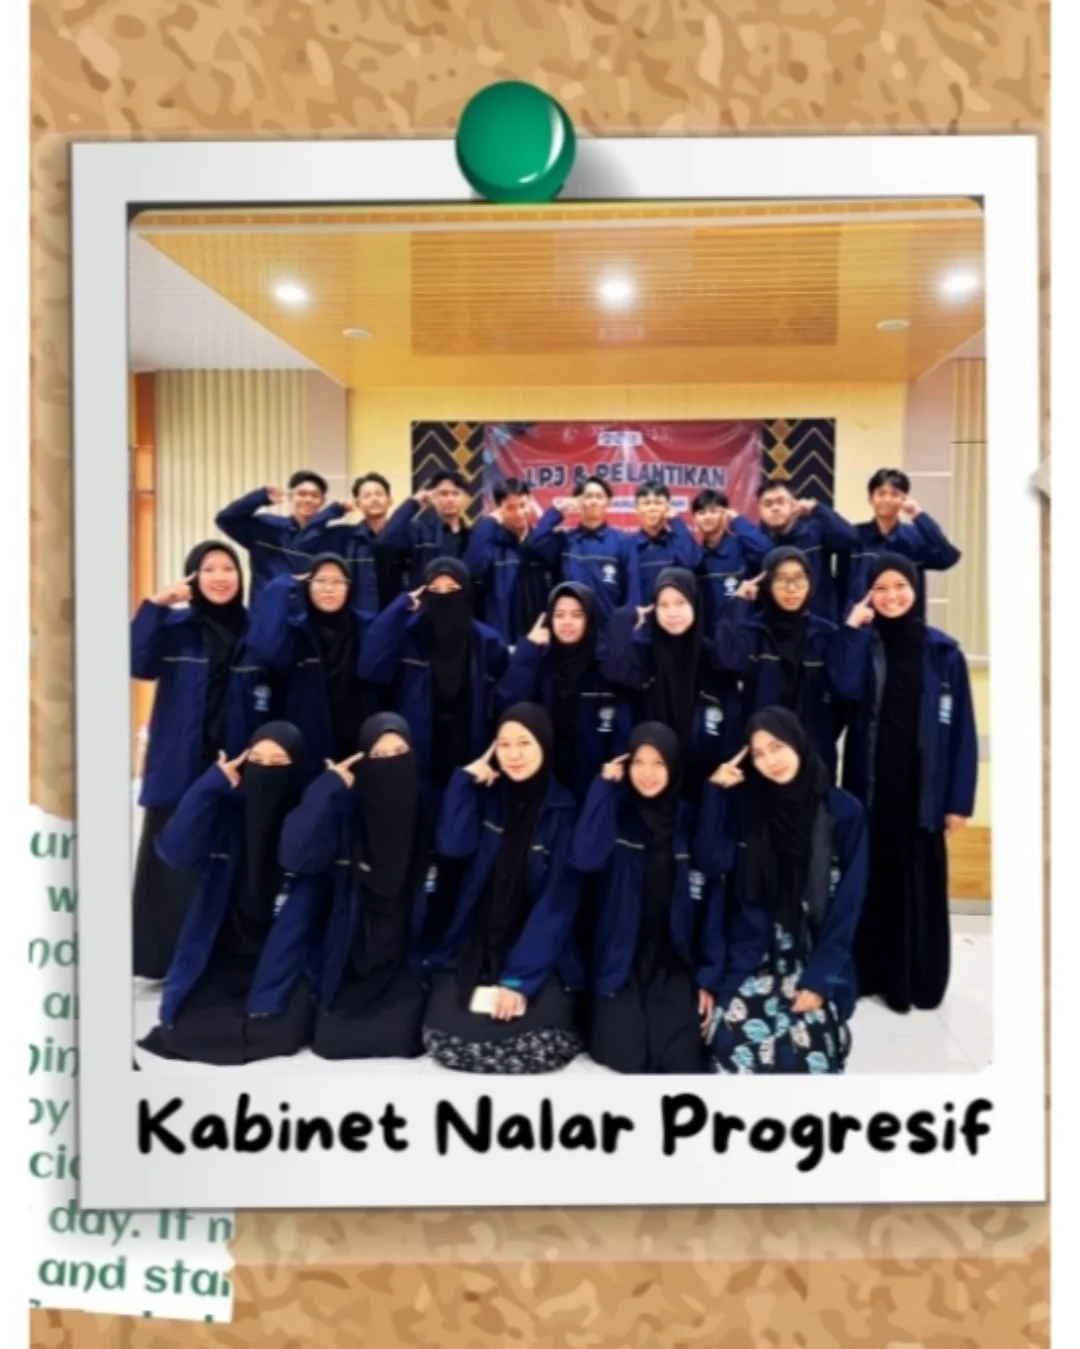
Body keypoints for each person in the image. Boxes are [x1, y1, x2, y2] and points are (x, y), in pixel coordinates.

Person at [827, 553, 977, 1013]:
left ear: (916, 589)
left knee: (918, 883)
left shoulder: (943, 652)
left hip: (923, 792)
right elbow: (843, 688)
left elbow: (963, 733)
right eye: (881, 588)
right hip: (872, 786)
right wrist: (851, 629)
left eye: (900, 587)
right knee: (871, 880)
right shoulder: (863, 643)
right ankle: (870, 972)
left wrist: (958, 802)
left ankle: (917, 980)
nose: (891, 596)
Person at [696, 708, 868, 1075]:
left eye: (777, 747)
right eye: (758, 754)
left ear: (798, 743)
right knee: (734, 1058)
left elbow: (847, 905)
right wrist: (714, 793)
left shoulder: (843, 812)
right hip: (753, 952)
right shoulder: (747, 807)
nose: (771, 761)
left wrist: (820, 980)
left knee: (808, 1061)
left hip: (812, 952)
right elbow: (710, 862)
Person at [138, 722, 317, 1065]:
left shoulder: (303, 824)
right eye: (258, 761)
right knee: (181, 1025)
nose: (266, 771)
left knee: (282, 1028)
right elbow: (175, 851)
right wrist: (210, 785)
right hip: (221, 955)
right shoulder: (227, 814)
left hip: (282, 958)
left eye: (278, 763)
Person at [131, 540, 270, 979]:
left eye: (228, 568)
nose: (220, 577)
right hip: (180, 760)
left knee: (226, 863)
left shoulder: (255, 628)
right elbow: (137, 663)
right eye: (208, 569)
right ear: (193, 577)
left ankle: (219, 957)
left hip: (234, 763)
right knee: (170, 862)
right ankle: (160, 959)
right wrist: (155, 605)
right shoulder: (176, 626)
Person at [421, 704, 584, 1073]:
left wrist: (519, 979)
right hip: (478, 941)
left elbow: (557, 903)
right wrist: (463, 784)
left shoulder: (563, 811)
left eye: (524, 743)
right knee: (445, 1032)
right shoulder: (488, 795)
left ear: (544, 745)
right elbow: (452, 845)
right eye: (504, 744)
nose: (514, 754)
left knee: (538, 1039)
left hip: (537, 947)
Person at [278, 713, 435, 1060]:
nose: (390, 763)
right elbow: (295, 855)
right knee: (332, 1041)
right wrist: (327, 788)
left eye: (399, 753)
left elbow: (457, 842)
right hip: (349, 952)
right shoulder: (346, 811)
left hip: (407, 957)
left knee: (401, 1037)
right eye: (378, 756)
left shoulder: (427, 808)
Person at [569, 723, 723, 1074]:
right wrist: (603, 787)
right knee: (625, 1058)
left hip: (674, 960)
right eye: (639, 762)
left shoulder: (689, 819)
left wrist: (708, 977)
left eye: (658, 763)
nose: (648, 774)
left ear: (673, 766)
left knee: (680, 1060)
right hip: (620, 961)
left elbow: (713, 898)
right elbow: (584, 858)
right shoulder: (617, 812)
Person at [358, 557, 508, 796]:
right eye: (435, 590)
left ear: (466, 593)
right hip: (419, 753)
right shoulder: (409, 636)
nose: (443, 596)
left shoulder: (487, 642)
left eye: (452, 589)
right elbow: (369, 668)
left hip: (471, 750)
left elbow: (504, 696)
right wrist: (401, 606)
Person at [603, 566, 741, 793]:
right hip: (650, 780)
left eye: (680, 603)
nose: (672, 613)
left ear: (695, 604)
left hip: (704, 778)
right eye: (663, 605)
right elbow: (614, 671)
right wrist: (624, 618)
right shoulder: (644, 653)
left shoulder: (712, 657)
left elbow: (731, 716)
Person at [711, 547, 844, 779]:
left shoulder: (826, 633)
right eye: (781, 580)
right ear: (767, 584)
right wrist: (739, 605)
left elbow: (845, 692)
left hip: (814, 748)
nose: (791, 589)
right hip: (765, 752)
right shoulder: (753, 630)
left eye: (799, 579)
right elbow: (727, 660)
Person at [245, 554, 378, 785]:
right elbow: (264, 651)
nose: (329, 589)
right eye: (320, 581)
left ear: (349, 587)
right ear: (306, 585)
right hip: (308, 742)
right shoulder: (295, 630)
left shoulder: (365, 627)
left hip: (356, 742)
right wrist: (280, 587)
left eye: (338, 582)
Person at [495, 582, 631, 804]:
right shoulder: (539, 663)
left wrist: (609, 783)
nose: (567, 621)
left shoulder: (606, 669)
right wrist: (528, 651)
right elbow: (508, 705)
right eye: (559, 615)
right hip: (544, 791)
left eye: (576, 615)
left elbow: (623, 731)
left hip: (594, 787)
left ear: (590, 619)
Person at [839, 468, 962, 620]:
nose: (887, 499)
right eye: (881, 493)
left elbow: (948, 557)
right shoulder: (854, 535)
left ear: (904, 499)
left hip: (906, 623)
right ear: (870, 499)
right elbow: (841, 584)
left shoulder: (915, 536)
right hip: (863, 623)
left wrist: (918, 514)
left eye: (894, 494)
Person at [215, 471, 338, 605]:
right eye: (302, 494)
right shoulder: (267, 527)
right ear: (291, 497)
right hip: (266, 611)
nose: (308, 500)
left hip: (309, 613)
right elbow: (226, 519)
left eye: (314, 495)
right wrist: (260, 497)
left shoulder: (330, 538)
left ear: (323, 501)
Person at [530, 475, 641, 620]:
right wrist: (557, 511)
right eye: (588, 496)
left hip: (609, 627)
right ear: (579, 501)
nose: (593, 501)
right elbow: (537, 541)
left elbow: (632, 591)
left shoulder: (623, 542)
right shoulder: (566, 541)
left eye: (599, 496)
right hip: (571, 627)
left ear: (608, 503)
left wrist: (629, 623)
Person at [464, 477, 552, 645]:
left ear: (531, 502)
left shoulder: (541, 544)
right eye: (510, 508)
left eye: (523, 505)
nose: (519, 513)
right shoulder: (491, 545)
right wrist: (489, 522)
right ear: (498, 509)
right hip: (501, 639)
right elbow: (472, 570)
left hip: (540, 637)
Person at [754, 481, 858, 623]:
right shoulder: (756, 541)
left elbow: (850, 539)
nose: (775, 508)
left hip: (820, 622)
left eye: (781, 502)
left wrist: (817, 508)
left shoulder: (814, 530)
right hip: (775, 626)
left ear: (794, 504)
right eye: (768, 504)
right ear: (759, 509)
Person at [307, 472, 404, 612]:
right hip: (356, 617)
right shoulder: (345, 536)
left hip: (397, 615)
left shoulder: (406, 533)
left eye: (379, 494)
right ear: (358, 503)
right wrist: (336, 509)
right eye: (367, 495)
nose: (374, 499)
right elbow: (306, 537)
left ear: (390, 500)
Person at [690, 489, 771, 629]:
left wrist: (737, 520)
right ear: (694, 519)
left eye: (713, 511)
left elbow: (767, 552)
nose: (707, 517)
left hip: (742, 631)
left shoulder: (741, 545)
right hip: (709, 634)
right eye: (701, 513)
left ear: (726, 514)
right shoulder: (695, 555)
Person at [378, 470, 472, 591]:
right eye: (443, 494)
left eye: (455, 493)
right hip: (424, 599)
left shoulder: (471, 536)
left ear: (466, 499)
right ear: (433, 497)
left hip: (459, 600)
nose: (450, 499)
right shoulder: (419, 531)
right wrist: (414, 502)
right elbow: (386, 541)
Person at [632, 481, 702, 600]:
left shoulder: (676, 542)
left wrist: (676, 521)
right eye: (646, 503)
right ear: (637, 509)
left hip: (672, 610)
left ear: (668, 507)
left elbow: (691, 562)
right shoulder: (629, 545)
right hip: (640, 611)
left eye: (658, 503)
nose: (652, 508)